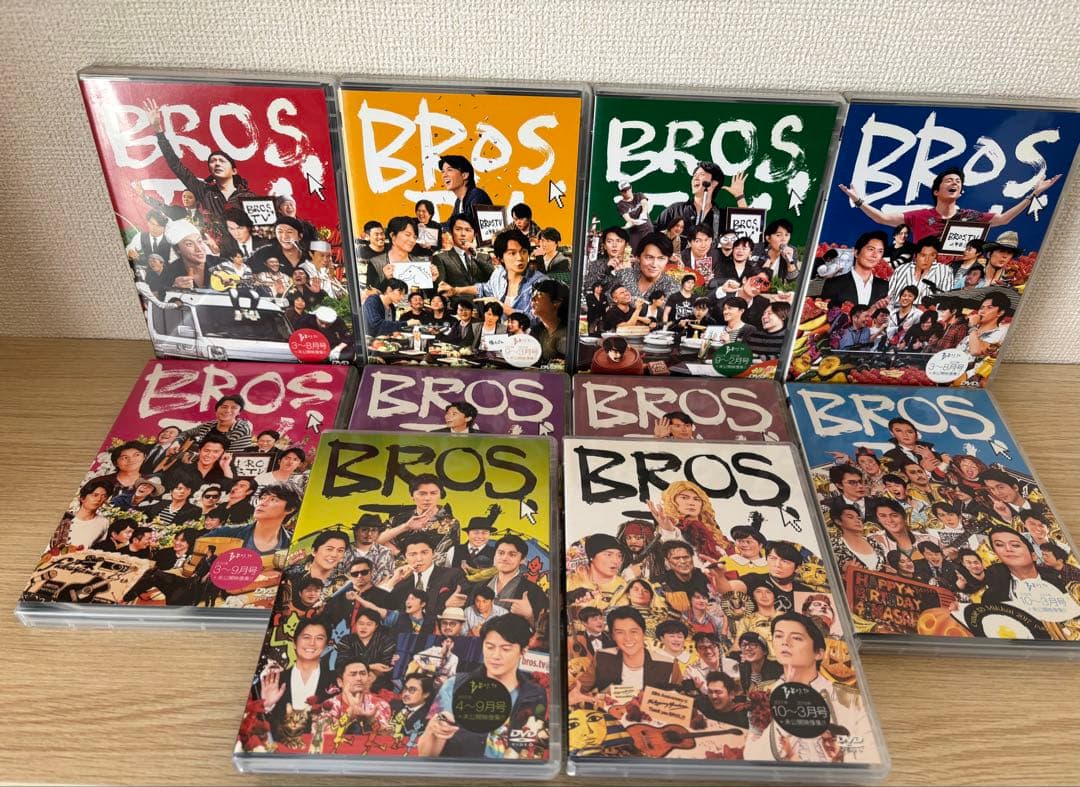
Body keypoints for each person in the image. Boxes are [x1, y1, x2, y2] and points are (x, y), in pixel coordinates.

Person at [745, 612, 874, 763]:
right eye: (778, 636)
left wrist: (836, 747)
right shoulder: (761, 696)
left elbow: (866, 750)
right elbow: (753, 756)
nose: (785, 642)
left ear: (819, 653)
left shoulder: (852, 700)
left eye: (796, 638)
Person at [837, 166, 1060, 251]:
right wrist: (858, 201)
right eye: (949, 180)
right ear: (936, 191)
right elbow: (883, 219)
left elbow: (1003, 220)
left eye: (958, 182)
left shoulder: (970, 216)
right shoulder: (920, 216)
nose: (954, 183)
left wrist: (1033, 195)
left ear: (961, 192)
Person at [419, 614, 546, 759]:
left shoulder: (534, 694)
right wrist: (433, 729)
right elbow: (426, 754)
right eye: (490, 647)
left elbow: (531, 747)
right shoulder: (455, 685)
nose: (495, 656)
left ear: (523, 651)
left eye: (505, 649)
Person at [142, 98, 254, 233]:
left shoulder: (249, 197)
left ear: (234, 170)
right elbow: (175, 165)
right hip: (218, 245)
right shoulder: (205, 193)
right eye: (213, 161)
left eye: (222, 161)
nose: (217, 163)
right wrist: (159, 131)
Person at [981, 526, 1079, 621]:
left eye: (1015, 545)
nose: (1008, 549)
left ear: (1034, 556)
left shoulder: (1064, 580)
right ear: (997, 555)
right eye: (999, 545)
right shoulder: (992, 597)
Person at [444, 229, 547, 320]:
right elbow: (484, 288)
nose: (520, 258)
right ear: (500, 258)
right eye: (512, 253)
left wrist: (501, 306)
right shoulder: (499, 273)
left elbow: (537, 319)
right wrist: (456, 290)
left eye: (523, 252)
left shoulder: (541, 282)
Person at [258, 618, 336, 735]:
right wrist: (267, 706)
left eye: (319, 638)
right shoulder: (274, 681)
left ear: (326, 645)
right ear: (294, 643)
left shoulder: (335, 682)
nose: (312, 643)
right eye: (306, 637)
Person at [586, 606, 679, 694]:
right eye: (620, 632)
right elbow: (580, 689)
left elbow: (682, 698)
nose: (628, 638)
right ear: (613, 636)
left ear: (643, 633)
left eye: (634, 631)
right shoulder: (602, 657)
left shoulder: (668, 664)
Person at [656, 162, 748, 248]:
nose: (695, 178)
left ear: (714, 183)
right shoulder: (675, 210)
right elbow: (654, 234)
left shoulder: (722, 216)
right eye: (694, 175)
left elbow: (745, 231)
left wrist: (739, 196)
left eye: (701, 174)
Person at [387, 532, 467, 623]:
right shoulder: (400, 584)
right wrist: (392, 582)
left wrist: (447, 608)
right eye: (413, 554)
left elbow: (468, 602)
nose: (419, 559)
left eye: (424, 553)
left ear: (433, 553)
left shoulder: (453, 575)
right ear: (405, 558)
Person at [378, 474, 460, 561]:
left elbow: (443, 558)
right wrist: (405, 527)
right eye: (422, 494)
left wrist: (398, 553)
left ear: (440, 495)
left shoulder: (450, 523)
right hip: (397, 569)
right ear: (412, 496)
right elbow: (375, 542)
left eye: (433, 493)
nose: (427, 498)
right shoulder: (398, 519)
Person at [212, 483, 300, 557]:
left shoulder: (294, 545)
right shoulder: (224, 534)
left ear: (290, 509)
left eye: (273, 499)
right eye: (262, 498)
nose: (263, 503)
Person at [483, 534, 548, 627]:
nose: (504, 558)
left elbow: (545, 630)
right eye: (501, 553)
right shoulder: (480, 585)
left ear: (522, 560)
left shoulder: (534, 592)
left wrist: (529, 616)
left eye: (512, 555)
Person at [820, 230, 890, 309]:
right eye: (871, 249)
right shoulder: (832, 284)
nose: (875, 255)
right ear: (856, 253)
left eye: (880, 251)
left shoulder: (886, 287)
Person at [333, 608, 397, 691]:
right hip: (350, 683)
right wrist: (371, 666)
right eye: (361, 623)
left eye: (369, 624)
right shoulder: (346, 640)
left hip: (378, 685)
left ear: (376, 626)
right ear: (355, 624)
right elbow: (341, 664)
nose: (364, 627)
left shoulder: (386, 641)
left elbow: (384, 668)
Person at [367, 216, 435, 291]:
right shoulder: (376, 263)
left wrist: (432, 280)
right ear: (393, 235)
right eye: (407, 235)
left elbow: (426, 295)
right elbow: (369, 294)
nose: (412, 240)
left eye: (415, 237)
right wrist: (385, 280)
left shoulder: (420, 263)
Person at [566, 532, 629, 611]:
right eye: (609, 555)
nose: (616, 561)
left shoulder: (623, 586)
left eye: (619, 556)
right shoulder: (571, 580)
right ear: (592, 557)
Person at [432, 214, 494, 289]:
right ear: (451, 232)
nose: (463, 234)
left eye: (468, 230)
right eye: (458, 229)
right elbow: (441, 288)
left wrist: (474, 255)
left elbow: (495, 279)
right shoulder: (441, 258)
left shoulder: (484, 257)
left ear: (474, 235)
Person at [613, 232, 679, 300]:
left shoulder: (673, 288)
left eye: (661, 258)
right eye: (649, 257)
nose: (654, 264)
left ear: (667, 260)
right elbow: (610, 297)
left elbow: (644, 307)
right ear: (638, 257)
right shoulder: (630, 271)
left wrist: (627, 278)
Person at [887, 236, 953, 304]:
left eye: (932, 255)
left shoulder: (945, 271)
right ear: (916, 255)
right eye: (923, 255)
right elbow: (889, 296)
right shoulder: (901, 269)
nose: (927, 260)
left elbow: (946, 300)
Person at [828, 501, 886, 572]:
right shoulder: (834, 545)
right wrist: (844, 572)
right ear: (838, 521)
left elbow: (885, 566)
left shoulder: (874, 542)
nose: (857, 521)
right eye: (850, 517)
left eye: (859, 518)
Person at [956, 290, 1011, 360]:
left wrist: (972, 327)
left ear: (1000, 313)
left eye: (989, 307)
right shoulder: (969, 336)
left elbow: (976, 351)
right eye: (981, 307)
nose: (982, 311)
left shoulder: (1001, 332)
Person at [389, 673, 436, 752]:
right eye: (405, 688)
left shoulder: (430, 718)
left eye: (412, 690)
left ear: (426, 694)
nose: (406, 693)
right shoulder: (393, 705)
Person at [438, 154, 492, 221]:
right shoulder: (459, 202)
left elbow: (472, 225)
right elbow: (450, 224)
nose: (444, 175)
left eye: (449, 170)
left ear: (464, 175)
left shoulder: (477, 196)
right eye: (443, 171)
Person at [65, 478, 114, 548]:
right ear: (82, 498)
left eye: (104, 496)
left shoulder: (103, 523)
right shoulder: (66, 519)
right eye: (95, 495)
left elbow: (100, 548)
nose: (99, 499)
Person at [529, 278, 569, 362]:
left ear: (556, 302)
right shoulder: (535, 331)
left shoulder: (568, 333)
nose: (532, 298)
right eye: (533, 294)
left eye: (539, 294)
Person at [615, 181, 653, 250]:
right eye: (624, 190)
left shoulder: (639, 195)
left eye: (628, 189)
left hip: (648, 229)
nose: (627, 191)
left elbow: (645, 204)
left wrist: (643, 214)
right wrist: (633, 222)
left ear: (631, 188)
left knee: (650, 250)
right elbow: (627, 218)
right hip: (635, 233)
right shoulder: (621, 205)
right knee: (634, 254)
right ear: (621, 192)